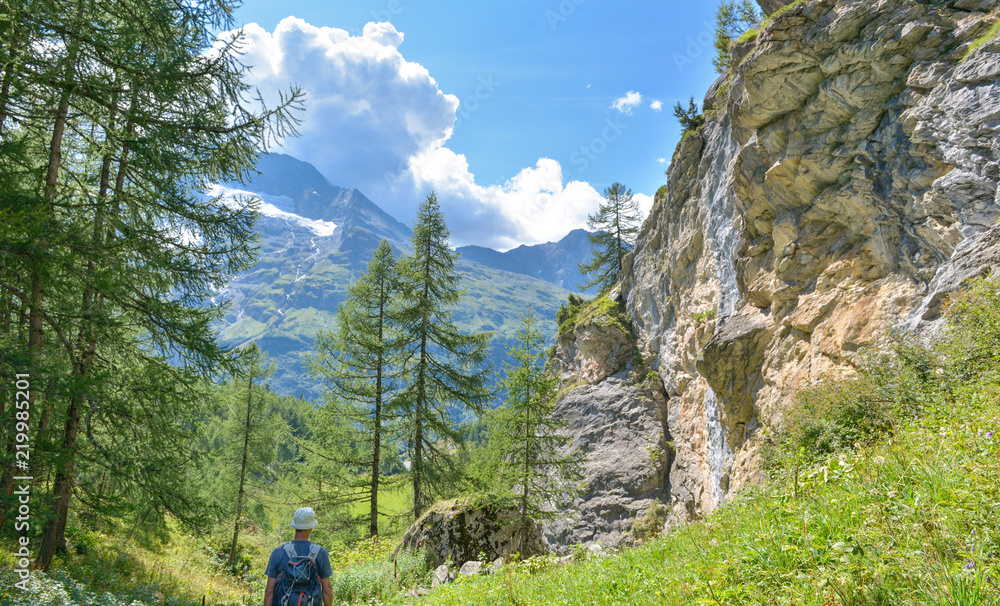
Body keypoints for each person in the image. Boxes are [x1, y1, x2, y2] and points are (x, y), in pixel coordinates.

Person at [264, 507, 333, 606]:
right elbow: (327, 590)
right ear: (311, 527)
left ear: (295, 526)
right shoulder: (320, 553)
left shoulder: (278, 552)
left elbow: (269, 592)